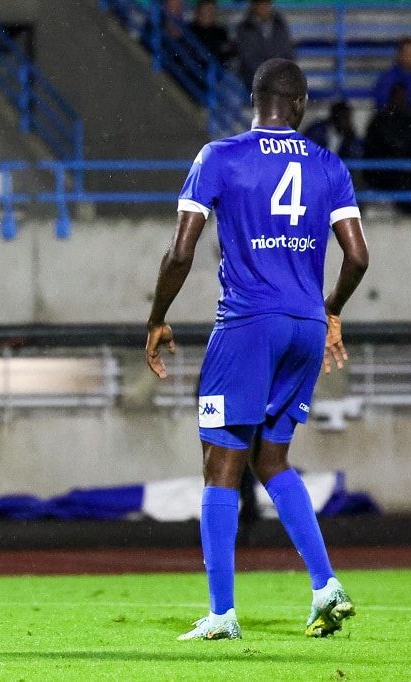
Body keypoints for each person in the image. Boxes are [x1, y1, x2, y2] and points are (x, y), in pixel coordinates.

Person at [145, 58, 369, 640]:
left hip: (247, 323)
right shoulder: (328, 165)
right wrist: (332, 309)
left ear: (255, 100)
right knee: (271, 460)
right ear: (298, 105)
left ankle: (222, 614)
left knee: (221, 464)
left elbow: (180, 252)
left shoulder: (219, 156)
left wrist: (157, 317)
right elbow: (359, 257)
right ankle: (327, 588)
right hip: (305, 324)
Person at [363, 83, 411, 215]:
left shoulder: (408, 119)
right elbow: (374, 147)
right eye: (398, 96)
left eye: (403, 97)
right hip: (383, 172)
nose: (400, 100)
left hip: (404, 170)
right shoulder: (380, 120)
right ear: (392, 97)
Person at [234, 0, 295, 90]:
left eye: (267, 4)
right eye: (261, 4)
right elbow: (248, 59)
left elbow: (287, 52)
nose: (264, 7)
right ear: (254, 6)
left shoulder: (280, 25)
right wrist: (267, 74)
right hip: (254, 76)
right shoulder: (245, 28)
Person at [187, 0, 234, 68]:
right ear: (198, 11)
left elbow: (227, 54)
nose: (208, 14)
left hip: (216, 72)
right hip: (194, 71)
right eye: (205, 10)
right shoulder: (189, 31)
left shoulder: (221, 32)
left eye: (211, 11)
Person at [371, 37, 411, 111]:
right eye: (407, 53)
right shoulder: (388, 78)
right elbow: (381, 102)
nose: (409, 57)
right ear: (399, 54)